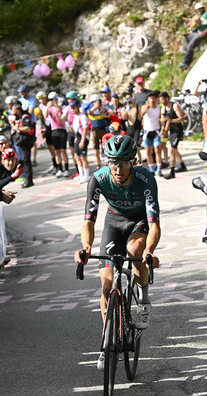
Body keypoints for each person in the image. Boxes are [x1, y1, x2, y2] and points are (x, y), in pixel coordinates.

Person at [74, 135, 161, 370]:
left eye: (124, 162)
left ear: (133, 162)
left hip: (138, 222)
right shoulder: (99, 178)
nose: (118, 168)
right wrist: (86, 247)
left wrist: (150, 251)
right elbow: (89, 221)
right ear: (107, 162)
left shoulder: (145, 179)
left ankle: (143, 301)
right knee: (106, 284)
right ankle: (107, 342)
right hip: (113, 222)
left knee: (135, 250)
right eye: (113, 162)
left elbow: (154, 225)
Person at [159, 92, 187, 178]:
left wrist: (172, 121)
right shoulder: (163, 108)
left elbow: (182, 118)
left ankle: (172, 171)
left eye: (162, 99)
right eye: (160, 100)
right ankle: (182, 165)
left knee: (172, 150)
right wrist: (163, 130)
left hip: (177, 130)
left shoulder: (175, 106)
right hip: (171, 131)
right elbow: (164, 121)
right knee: (174, 149)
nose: (161, 101)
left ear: (167, 98)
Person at [180, 2, 207, 69]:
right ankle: (186, 52)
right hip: (197, 32)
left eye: (200, 9)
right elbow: (198, 26)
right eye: (197, 9)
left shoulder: (206, 15)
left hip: (201, 34)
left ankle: (185, 62)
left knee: (190, 46)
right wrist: (190, 33)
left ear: (202, 8)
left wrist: (205, 32)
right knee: (186, 37)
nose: (198, 10)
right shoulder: (198, 16)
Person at [140, 91, 164, 176]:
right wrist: (145, 109)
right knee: (148, 152)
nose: (152, 100)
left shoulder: (159, 108)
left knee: (157, 150)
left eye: (154, 98)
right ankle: (151, 168)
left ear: (156, 99)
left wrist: (163, 129)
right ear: (148, 99)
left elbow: (162, 119)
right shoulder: (145, 107)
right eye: (150, 98)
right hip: (147, 132)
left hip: (156, 131)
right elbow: (140, 116)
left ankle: (159, 168)